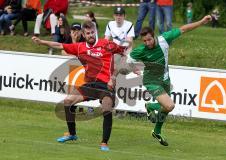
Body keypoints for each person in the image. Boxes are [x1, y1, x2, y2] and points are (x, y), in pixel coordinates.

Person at [32, 21, 128, 151]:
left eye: (92, 32)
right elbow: (60, 45)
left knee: (106, 108)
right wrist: (42, 42)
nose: (91, 35)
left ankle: (104, 142)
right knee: (68, 101)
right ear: (83, 34)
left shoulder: (107, 44)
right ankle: (72, 134)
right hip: (89, 85)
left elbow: (124, 53)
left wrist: (114, 76)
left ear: (96, 32)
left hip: (106, 85)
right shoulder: (79, 47)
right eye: (88, 33)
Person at [127, 15, 212, 146]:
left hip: (165, 79)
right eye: (144, 41)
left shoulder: (164, 39)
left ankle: (156, 129)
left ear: (153, 36)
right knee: (170, 105)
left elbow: (183, 29)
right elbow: (128, 59)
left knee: (165, 108)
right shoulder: (141, 50)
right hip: (151, 80)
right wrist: (133, 69)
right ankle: (150, 107)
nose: (147, 43)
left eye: (149, 39)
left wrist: (201, 22)